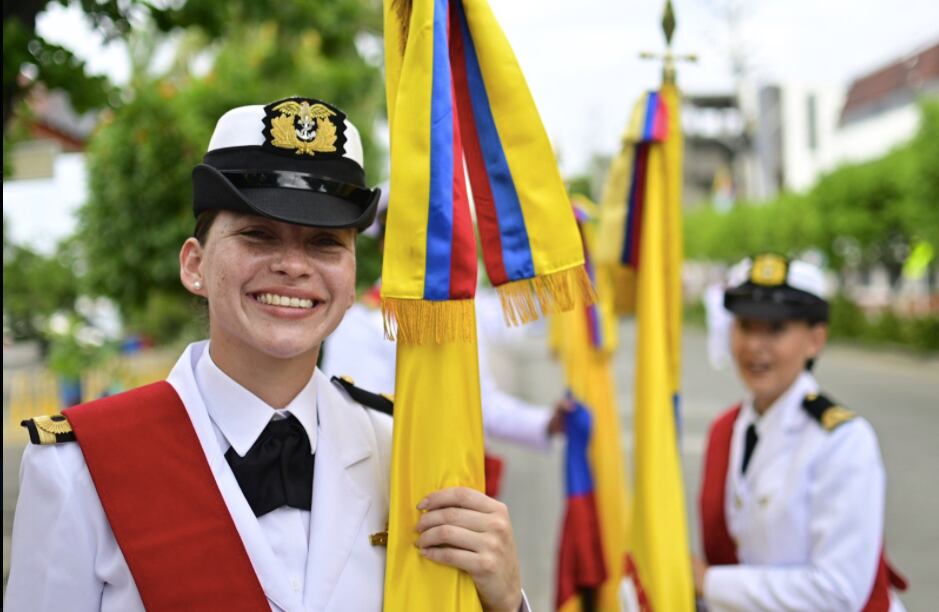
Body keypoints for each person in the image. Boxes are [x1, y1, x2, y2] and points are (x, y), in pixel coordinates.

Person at [5, 97, 530, 612]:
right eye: (258, 234)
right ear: (195, 265)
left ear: (350, 280)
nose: (293, 266)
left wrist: (507, 604)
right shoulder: (81, 467)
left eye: (325, 244)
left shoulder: (404, 449)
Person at [694, 253, 907, 611]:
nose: (754, 346)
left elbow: (837, 592)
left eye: (776, 329)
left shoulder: (842, 440)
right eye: (745, 325)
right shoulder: (725, 430)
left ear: (815, 340)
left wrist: (709, 583)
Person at [322, 189, 567, 453]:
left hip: (463, 475)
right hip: (399, 481)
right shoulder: (362, 323)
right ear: (385, 244)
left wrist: (546, 423)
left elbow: (481, 405)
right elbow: (359, 426)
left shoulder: (458, 312)